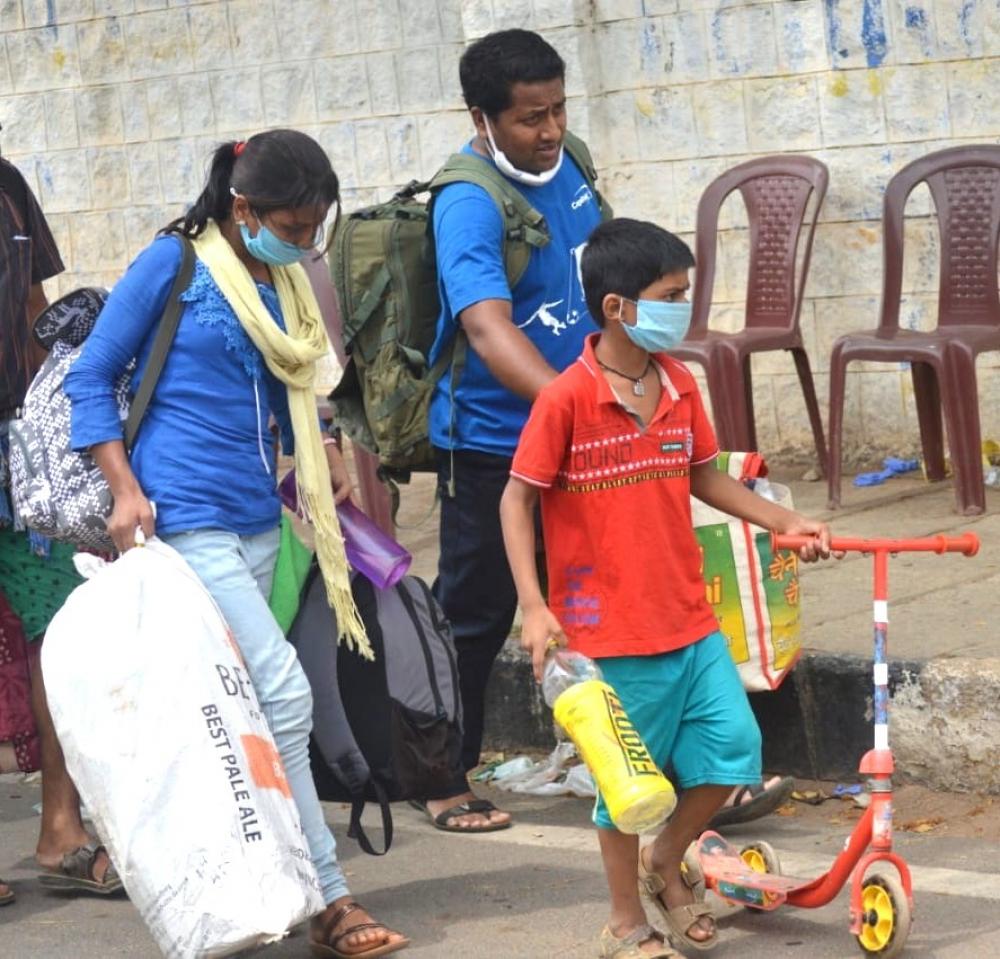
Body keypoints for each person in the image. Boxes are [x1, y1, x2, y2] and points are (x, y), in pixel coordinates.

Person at [64, 129, 407, 958]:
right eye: (291, 228)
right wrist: (124, 488)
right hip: (184, 515)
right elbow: (90, 375)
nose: (304, 246)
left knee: (232, 712)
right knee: (286, 699)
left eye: (313, 230)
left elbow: (293, 387)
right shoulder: (173, 264)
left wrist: (322, 454)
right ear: (243, 206)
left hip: (262, 519)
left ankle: (244, 885)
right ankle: (330, 897)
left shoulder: (278, 275)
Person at [499, 218, 833, 957]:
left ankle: (666, 858)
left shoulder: (680, 383)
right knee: (627, 787)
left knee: (735, 751)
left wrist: (783, 520)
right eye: (671, 294)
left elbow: (705, 474)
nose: (684, 307)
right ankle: (625, 921)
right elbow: (516, 499)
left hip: (690, 619)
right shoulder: (567, 398)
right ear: (617, 306)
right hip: (608, 632)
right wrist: (533, 602)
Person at [418, 28, 605, 834]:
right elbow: (491, 332)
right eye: (532, 117)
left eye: (559, 109)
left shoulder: (576, 166)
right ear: (483, 118)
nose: (551, 130)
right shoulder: (467, 202)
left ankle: (628, 756)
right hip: (494, 444)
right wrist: (584, 404)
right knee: (475, 613)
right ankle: (441, 773)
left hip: (581, 430)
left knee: (602, 600)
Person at [0, 150, 122, 905]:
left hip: (16, 447)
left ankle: (60, 828)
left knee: (54, 625)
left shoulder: (7, 185)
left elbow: (36, 315)